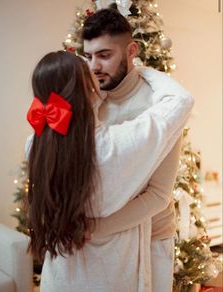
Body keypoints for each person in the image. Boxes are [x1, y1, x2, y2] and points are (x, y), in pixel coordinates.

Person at [26, 50, 193, 292]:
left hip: (60, 277)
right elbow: (180, 101)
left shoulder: (35, 144)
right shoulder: (115, 147)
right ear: (89, 91)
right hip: (110, 276)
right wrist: (139, 68)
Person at [82, 8, 187, 291]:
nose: (94, 67)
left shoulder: (159, 105)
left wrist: (92, 228)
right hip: (97, 241)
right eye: (88, 56)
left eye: (104, 55)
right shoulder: (88, 99)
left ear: (131, 50)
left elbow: (158, 194)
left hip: (150, 237)